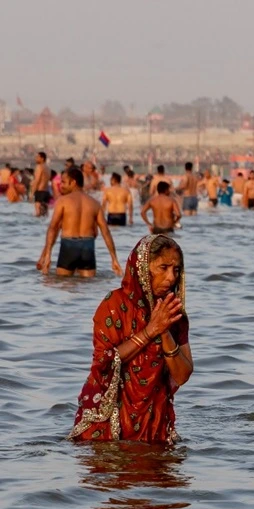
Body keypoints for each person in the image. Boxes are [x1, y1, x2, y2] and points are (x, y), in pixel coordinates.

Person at [68, 235, 193, 443]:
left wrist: (163, 330)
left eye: (176, 270)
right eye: (163, 268)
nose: (171, 277)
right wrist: (150, 331)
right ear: (142, 268)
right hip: (109, 422)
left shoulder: (174, 314)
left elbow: (182, 375)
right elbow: (103, 363)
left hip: (155, 422)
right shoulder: (114, 305)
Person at [36, 166, 123, 278]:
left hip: (68, 247)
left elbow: (53, 228)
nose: (60, 185)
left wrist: (47, 255)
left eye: (63, 182)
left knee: (63, 286)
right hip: (88, 248)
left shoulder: (62, 201)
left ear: (73, 182)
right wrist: (114, 259)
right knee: (87, 286)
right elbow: (105, 232)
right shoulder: (95, 203)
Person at [31, 152, 52, 217]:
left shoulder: (39, 167)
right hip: (46, 192)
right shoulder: (48, 168)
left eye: (37, 157)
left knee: (38, 214)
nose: (35, 159)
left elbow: (37, 180)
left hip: (40, 191)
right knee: (45, 214)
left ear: (42, 158)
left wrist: (32, 193)